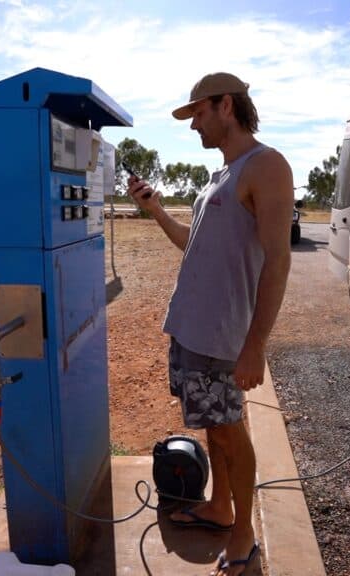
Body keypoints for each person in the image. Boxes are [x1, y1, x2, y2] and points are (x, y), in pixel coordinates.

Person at [126, 72, 293, 576]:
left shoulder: (266, 166)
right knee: (214, 434)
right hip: (192, 332)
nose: (193, 124)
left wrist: (256, 345)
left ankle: (243, 533)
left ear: (226, 105)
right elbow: (192, 246)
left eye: (198, 113)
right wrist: (154, 210)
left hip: (224, 337)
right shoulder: (219, 178)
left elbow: (279, 261)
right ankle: (220, 507)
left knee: (228, 431)